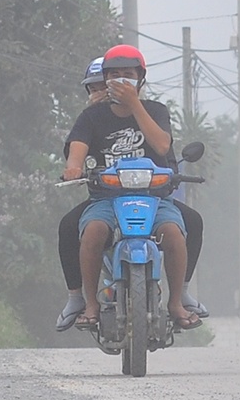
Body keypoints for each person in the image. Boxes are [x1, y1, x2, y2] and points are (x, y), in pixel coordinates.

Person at [55, 59, 209, 331]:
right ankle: (85, 302)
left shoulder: (155, 111)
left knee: (181, 228)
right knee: (85, 229)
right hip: (106, 197)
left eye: (127, 76)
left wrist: (134, 103)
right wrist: (73, 168)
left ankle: (177, 298)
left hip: (155, 196)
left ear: (140, 80)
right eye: (112, 78)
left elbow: (162, 144)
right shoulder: (90, 117)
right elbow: (76, 151)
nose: (118, 83)